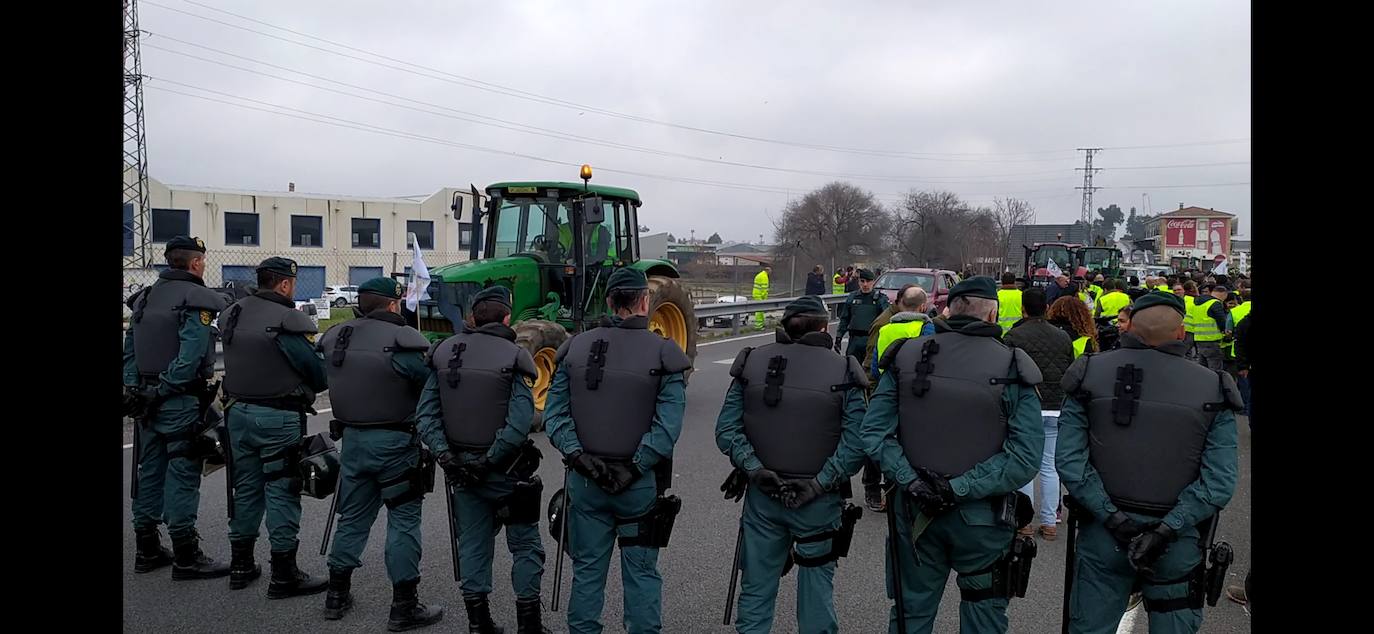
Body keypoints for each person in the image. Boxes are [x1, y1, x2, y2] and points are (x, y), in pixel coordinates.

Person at [863, 276, 1045, 634]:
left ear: (948, 309)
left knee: (910, 612)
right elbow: (1024, 457)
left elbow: (874, 433)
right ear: (992, 313)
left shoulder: (905, 354)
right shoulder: (1012, 366)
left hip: (915, 511)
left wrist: (912, 481)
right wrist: (958, 488)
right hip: (982, 517)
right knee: (982, 615)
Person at [1057, 291, 1241, 633]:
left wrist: (1112, 518)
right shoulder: (1213, 388)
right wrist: (1166, 529)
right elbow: (1219, 482)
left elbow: (1070, 461)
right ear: (1181, 334)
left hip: (1104, 535)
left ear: (1129, 329)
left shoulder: (1088, 372)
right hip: (1176, 541)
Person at [543, 268, 692, 634]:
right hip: (637, 485)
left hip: (585, 482)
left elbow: (555, 414)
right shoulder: (664, 353)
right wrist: (635, 466)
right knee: (641, 575)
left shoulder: (575, 346)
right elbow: (667, 426)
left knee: (588, 572)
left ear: (609, 301)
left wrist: (581, 458)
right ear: (645, 301)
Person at [714, 295, 869, 634]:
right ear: (823, 327)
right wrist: (819, 483)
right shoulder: (843, 369)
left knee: (756, 588)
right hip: (818, 500)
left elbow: (726, 430)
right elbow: (857, 442)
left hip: (763, 496)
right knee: (816, 592)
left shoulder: (751, 362)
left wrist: (754, 469)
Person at [417, 285, 550, 634]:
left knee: (473, 545)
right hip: (506, 472)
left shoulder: (442, 352)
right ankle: (529, 626)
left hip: (461, 471)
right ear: (507, 318)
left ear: (473, 317)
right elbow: (520, 422)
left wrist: (447, 457)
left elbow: (426, 416)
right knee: (525, 546)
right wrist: (490, 460)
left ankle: (479, 625)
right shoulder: (514, 356)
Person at [317, 278, 443, 630]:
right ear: (392, 304)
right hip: (395, 443)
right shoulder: (399, 342)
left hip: (353, 441)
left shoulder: (339, 336)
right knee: (403, 521)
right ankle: (404, 606)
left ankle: (336, 595)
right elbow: (427, 383)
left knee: (353, 518)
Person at [220, 256, 330, 598]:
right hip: (277, 416)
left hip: (237, 412)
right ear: (284, 284)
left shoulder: (234, 312)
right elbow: (318, 374)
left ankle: (241, 565)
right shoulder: (285, 320)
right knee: (281, 490)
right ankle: (283, 574)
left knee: (246, 488)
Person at [123, 236, 231, 579]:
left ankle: (147, 549)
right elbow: (190, 355)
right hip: (179, 399)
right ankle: (187, 554)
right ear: (196, 263)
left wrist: (136, 390)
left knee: (149, 471)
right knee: (183, 474)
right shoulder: (194, 299)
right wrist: (165, 389)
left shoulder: (145, 298)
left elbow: (130, 350)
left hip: (147, 399)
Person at [1005, 288, 1075, 541]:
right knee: (1050, 467)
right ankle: (1049, 522)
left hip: (1027, 407)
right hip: (1057, 405)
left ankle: (1024, 522)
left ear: (1023, 309)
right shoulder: (1062, 337)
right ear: (1046, 308)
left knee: (1025, 463)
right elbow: (1069, 370)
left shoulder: (1014, 336)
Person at [834, 268, 892, 512]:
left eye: (868, 281)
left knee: (866, 380)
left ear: (873, 282)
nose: (865, 285)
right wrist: (838, 337)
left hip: (871, 344)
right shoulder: (852, 298)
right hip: (855, 343)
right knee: (850, 377)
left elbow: (882, 325)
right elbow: (845, 318)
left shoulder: (880, 300)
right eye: (863, 281)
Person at [869, 286, 935, 381]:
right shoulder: (926, 328)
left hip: (885, 383)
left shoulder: (884, 329)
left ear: (901, 304)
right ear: (922, 307)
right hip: (913, 384)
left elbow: (875, 370)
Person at [1187, 284, 1229, 371]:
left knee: (1203, 367)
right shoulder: (1215, 303)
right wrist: (1226, 332)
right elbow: (1222, 322)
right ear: (1224, 295)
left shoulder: (1197, 303)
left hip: (1199, 339)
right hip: (1212, 340)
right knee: (1215, 369)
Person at [752, 262, 771, 331]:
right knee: (760, 312)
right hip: (760, 296)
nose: (770, 273)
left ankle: (760, 325)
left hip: (756, 294)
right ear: (767, 270)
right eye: (770, 271)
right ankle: (759, 326)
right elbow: (764, 289)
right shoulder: (764, 277)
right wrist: (764, 298)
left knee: (759, 311)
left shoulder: (759, 275)